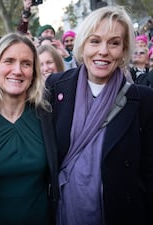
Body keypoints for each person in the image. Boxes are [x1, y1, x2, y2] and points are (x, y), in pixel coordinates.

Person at [45, 5, 153, 225]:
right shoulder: (56, 87)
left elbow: (149, 170)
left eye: (114, 43)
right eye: (95, 41)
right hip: (62, 210)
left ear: (123, 51)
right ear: (83, 45)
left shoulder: (143, 100)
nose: (103, 51)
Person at [0, 32, 59, 225]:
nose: (17, 70)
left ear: (34, 72)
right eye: (8, 61)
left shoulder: (48, 116)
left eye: (26, 63)